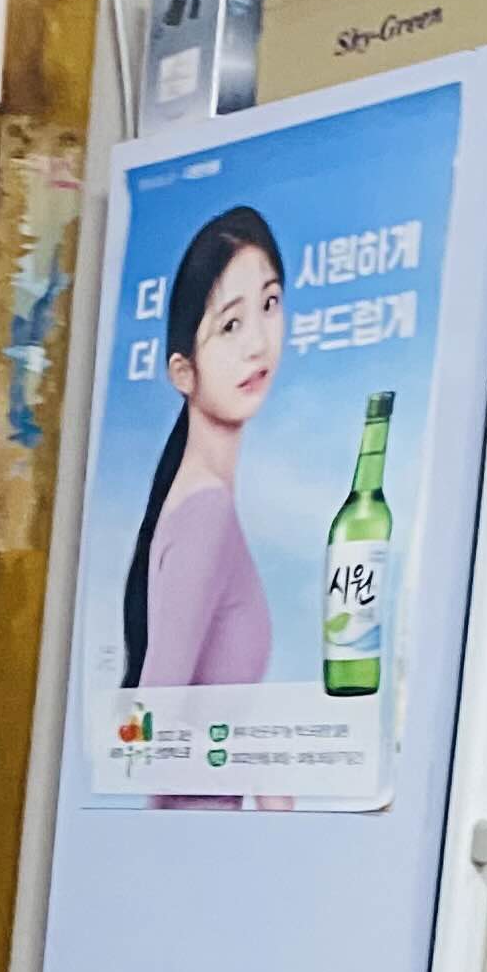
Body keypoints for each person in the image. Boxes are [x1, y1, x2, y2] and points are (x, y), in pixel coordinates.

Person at [121, 203, 285, 688]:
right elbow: (153, 713)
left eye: (269, 303)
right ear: (183, 372)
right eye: (230, 325)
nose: (258, 343)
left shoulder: (195, 500)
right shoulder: (206, 511)